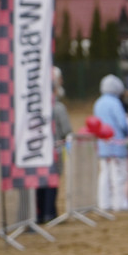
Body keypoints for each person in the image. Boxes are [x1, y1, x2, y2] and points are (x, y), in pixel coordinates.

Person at [36, 67, 73, 224]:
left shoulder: (36, 108)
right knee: (52, 182)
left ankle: (39, 213)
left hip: (37, 151)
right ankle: (50, 212)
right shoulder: (58, 108)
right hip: (54, 151)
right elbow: (67, 130)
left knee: (38, 183)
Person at [94, 74, 128, 212]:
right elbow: (122, 123)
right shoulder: (115, 103)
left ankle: (104, 203)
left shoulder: (98, 102)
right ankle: (119, 203)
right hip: (117, 145)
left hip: (103, 146)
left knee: (104, 175)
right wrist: (127, 134)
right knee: (118, 175)